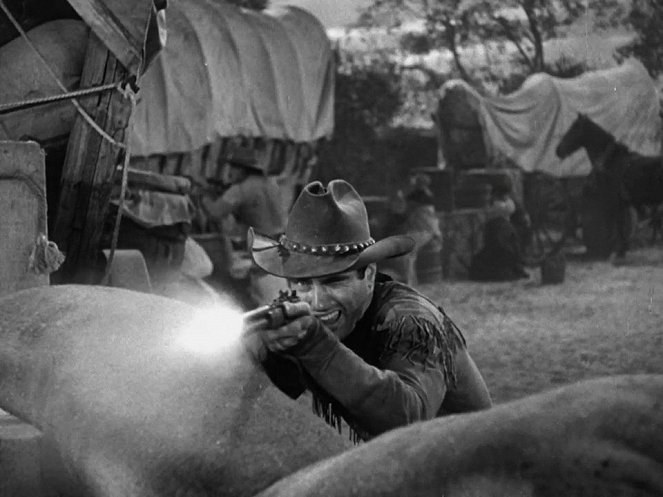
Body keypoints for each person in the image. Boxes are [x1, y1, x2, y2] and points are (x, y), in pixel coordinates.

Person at [245, 179, 492, 443]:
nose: (316, 302)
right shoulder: (323, 319)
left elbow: (408, 417)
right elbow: (278, 388)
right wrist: (266, 350)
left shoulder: (411, 320)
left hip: (470, 466)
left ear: (370, 275)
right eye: (302, 283)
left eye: (335, 281)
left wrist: (313, 346)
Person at [202, 145, 287, 306]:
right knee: (279, 292)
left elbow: (215, 212)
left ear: (242, 169)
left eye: (233, 169)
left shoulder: (242, 189)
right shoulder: (271, 183)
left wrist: (204, 197)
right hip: (282, 243)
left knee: (264, 298)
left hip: (261, 245)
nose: (230, 173)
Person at [469, 176, 529, 281]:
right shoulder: (507, 204)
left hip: (497, 231)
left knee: (498, 249)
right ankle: (514, 267)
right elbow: (511, 209)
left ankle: (509, 268)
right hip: (505, 231)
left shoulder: (495, 205)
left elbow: (488, 214)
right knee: (509, 249)